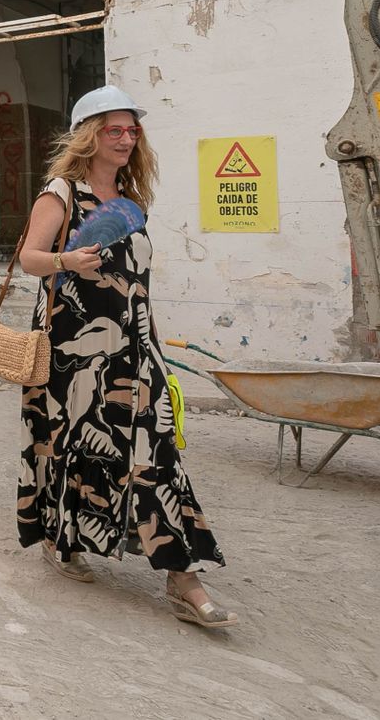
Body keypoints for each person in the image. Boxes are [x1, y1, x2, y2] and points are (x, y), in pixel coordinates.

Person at [15, 84, 235, 628]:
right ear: (89, 135)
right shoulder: (61, 193)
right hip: (72, 352)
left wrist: (153, 345)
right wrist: (67, 260)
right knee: (69, 445)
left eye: (132, 130)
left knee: (156, 452)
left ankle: (184, 579)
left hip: (134, 350)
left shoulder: (130, 201)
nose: (125, 138)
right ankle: (60, 539)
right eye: (113, 129)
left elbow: (137, 282)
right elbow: (29, 259)